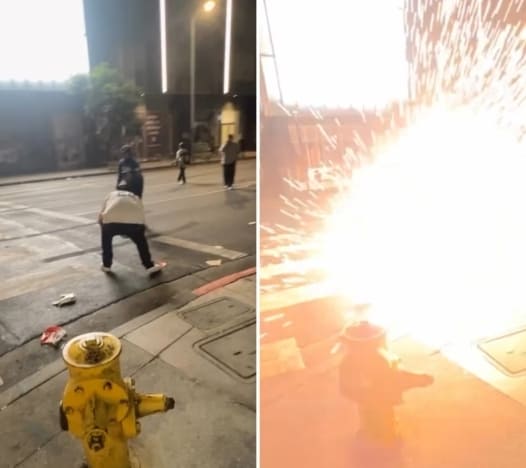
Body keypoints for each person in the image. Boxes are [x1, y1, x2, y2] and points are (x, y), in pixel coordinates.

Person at [98, 174, 164, 275]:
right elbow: (141, 216)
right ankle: (149, 265)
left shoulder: (111, 194)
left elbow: (101, 215)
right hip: (133, 225)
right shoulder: (135, 197)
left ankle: (106, 265)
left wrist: (104, 227)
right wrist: (139, 232)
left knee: (106, 238)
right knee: (141, 242)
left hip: (110, 223)